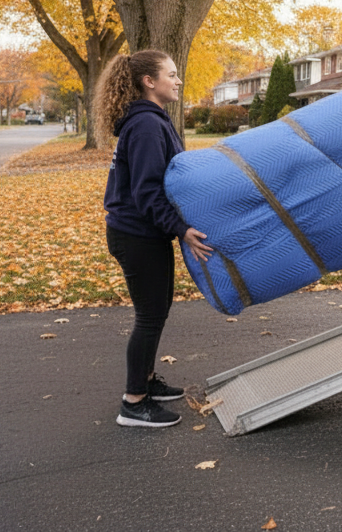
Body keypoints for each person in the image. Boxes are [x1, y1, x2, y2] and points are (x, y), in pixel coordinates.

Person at [94, 50, 213, 428]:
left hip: (143, 231)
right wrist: (181, 228)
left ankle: (145, 381)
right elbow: (147, 191)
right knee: (149, 316)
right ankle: (133, 402)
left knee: (157, 310)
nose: (178, 81)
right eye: (171, 75)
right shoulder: (145, 125)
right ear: (149, 81)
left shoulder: (149, 121)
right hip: (137, 233)